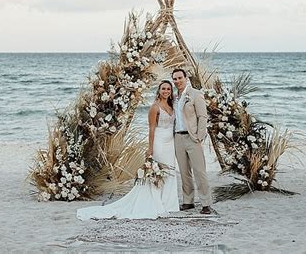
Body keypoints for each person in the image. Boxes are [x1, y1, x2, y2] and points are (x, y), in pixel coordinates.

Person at [77, 80, 179, 220]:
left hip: (170, 144)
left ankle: (169, 204)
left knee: (170, 172)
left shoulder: (172, 106)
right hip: (159, 143)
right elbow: (151, 128)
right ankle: (156, 202)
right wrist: (150, 148)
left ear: (171, 91)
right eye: (163, 89)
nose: (166, 91)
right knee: (159, 171)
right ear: (159, 91)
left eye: (168, 89)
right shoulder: (155, 107)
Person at [171, 69, 213, 215]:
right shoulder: (173, 97)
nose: (177, 81)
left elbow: (202, 116)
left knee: (199, 171)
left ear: (186, 78)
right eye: (175, 79)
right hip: (178, 137)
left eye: (179, 78)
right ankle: (188, 201)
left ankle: (206, 203)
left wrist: (199, 136)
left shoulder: (195, 94)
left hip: (192, 137)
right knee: (184, 172)